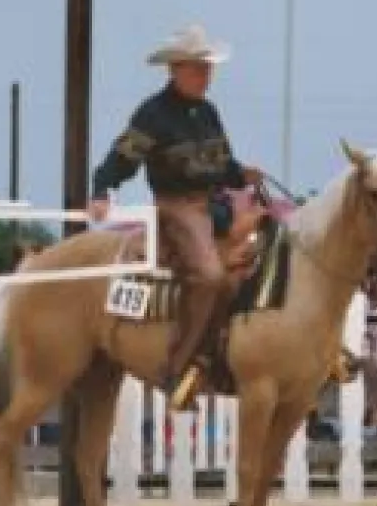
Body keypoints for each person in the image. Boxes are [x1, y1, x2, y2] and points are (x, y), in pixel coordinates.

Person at [88, 24, 264, 404]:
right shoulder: (153, 114)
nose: (206, 76)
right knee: (209, 274)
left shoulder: (209, 112)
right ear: (175, 69)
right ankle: (176, 369)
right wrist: (102, 188)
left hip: (215, 206)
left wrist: (242, 173)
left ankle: (222, 357)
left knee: (253, 263)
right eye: (199, 68)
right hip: (176, 208)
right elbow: (123, 157)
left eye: (208, 68)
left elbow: (223, 164)